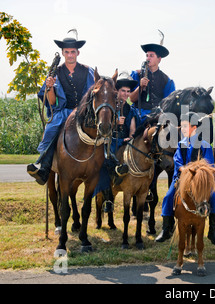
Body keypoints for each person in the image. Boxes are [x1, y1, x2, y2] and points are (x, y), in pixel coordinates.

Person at [27, 29, 95, 185]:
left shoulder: (87, 71)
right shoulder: (55, 72)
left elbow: (93, 94)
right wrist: (49, 87)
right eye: (67, 52)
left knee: (102, 129)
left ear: (78, 53)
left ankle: (106, 166)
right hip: (63, 112)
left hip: (83, 113)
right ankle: (43, 167)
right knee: (51, 129)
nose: (70, 55)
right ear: (63, 53)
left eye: (73, 52)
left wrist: (83, 110)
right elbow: (51, 102)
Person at [155, 112, 215, 245]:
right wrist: (184, 170)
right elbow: (178, 162)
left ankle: (213, 230)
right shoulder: (181, 144)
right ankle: (166, 228)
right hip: (182, 178)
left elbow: (207, 164)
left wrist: (196, 173)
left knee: (213, 197)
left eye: (185, 126)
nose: (182, 129)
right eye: (182, 126)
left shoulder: (205, 145)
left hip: (200, 180)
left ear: (194, 127)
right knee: (168, 197)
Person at [93, 72, 138, 211]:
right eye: (122, 91)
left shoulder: (130, 109)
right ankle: (107, 196)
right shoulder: (109, 105)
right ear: (117, 91)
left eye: (128, 91)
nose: (125, 94)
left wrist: (130, 137)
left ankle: (143, 188)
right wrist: (115, 122)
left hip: (125, 141)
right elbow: (103, 125)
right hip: (111, 139)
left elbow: (132, 127)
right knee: (106, 160)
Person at [129, 34, 176, 128]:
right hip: (138, 114)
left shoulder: (167, 80)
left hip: (157, 117)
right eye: (147, 55)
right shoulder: (137, 75)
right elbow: (131, 99)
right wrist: (141, 87)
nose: (148, 58)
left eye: (151, 56)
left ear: (159, 59)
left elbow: (169, 104)